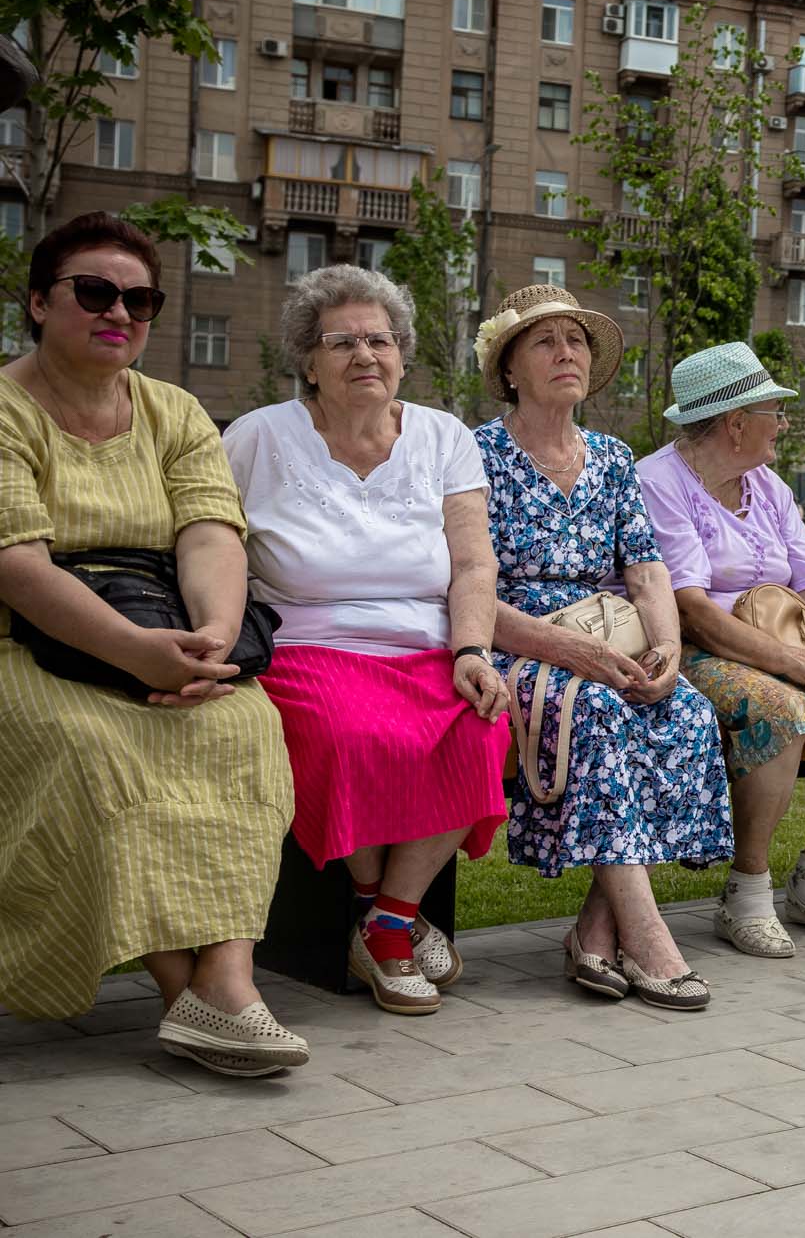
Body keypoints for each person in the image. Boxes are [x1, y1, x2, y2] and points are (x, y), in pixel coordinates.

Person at [0, 213, 307, 1075]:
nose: (119, 312)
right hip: (32, 642)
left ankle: (227, 984)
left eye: (140, 299)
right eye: (93, 291)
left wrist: (210, 640)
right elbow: (17, 566)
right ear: (36, 302)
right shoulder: (4, 408)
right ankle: (199, 999)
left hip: (169, 629)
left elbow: (212, 534)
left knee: (241, 727)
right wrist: (136, 655)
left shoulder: (171, 408)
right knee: (95, 749)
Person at [224, 265, 511, 1018]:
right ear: (308, 360)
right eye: (342, 341)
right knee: (351, 733)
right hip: (307, 645)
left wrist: (472, 652)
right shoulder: (256, 438)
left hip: (427, 643)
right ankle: (390, 928)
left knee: (483, 720)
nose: (364, 356)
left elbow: (475, 561)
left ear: (403, 354)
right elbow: (213, 547)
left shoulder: (444, 436)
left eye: (379, 340)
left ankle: (383, 917)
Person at [473, 286, 733, 1007]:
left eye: (576, 340)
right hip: (518, 644)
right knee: (599, 714)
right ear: (511, 369)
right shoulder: (477, 453)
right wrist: (569, 652)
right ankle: (648, 939)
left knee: (685, 711)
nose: (566, 353)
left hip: (611, 637)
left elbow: (648, 568)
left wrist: (668, 648)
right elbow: (469, 589)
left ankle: (594, 927)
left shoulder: (613, 457)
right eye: (545, 341)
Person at [639, 341, 805, 958]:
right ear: (736, 422)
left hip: (791, 640)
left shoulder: (765, 484)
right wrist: (794, 665)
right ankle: (747, 890)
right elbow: (692, 610)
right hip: (700, 651)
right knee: (776, 710)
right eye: (774, 411)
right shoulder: (660, 482)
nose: (783, 424)